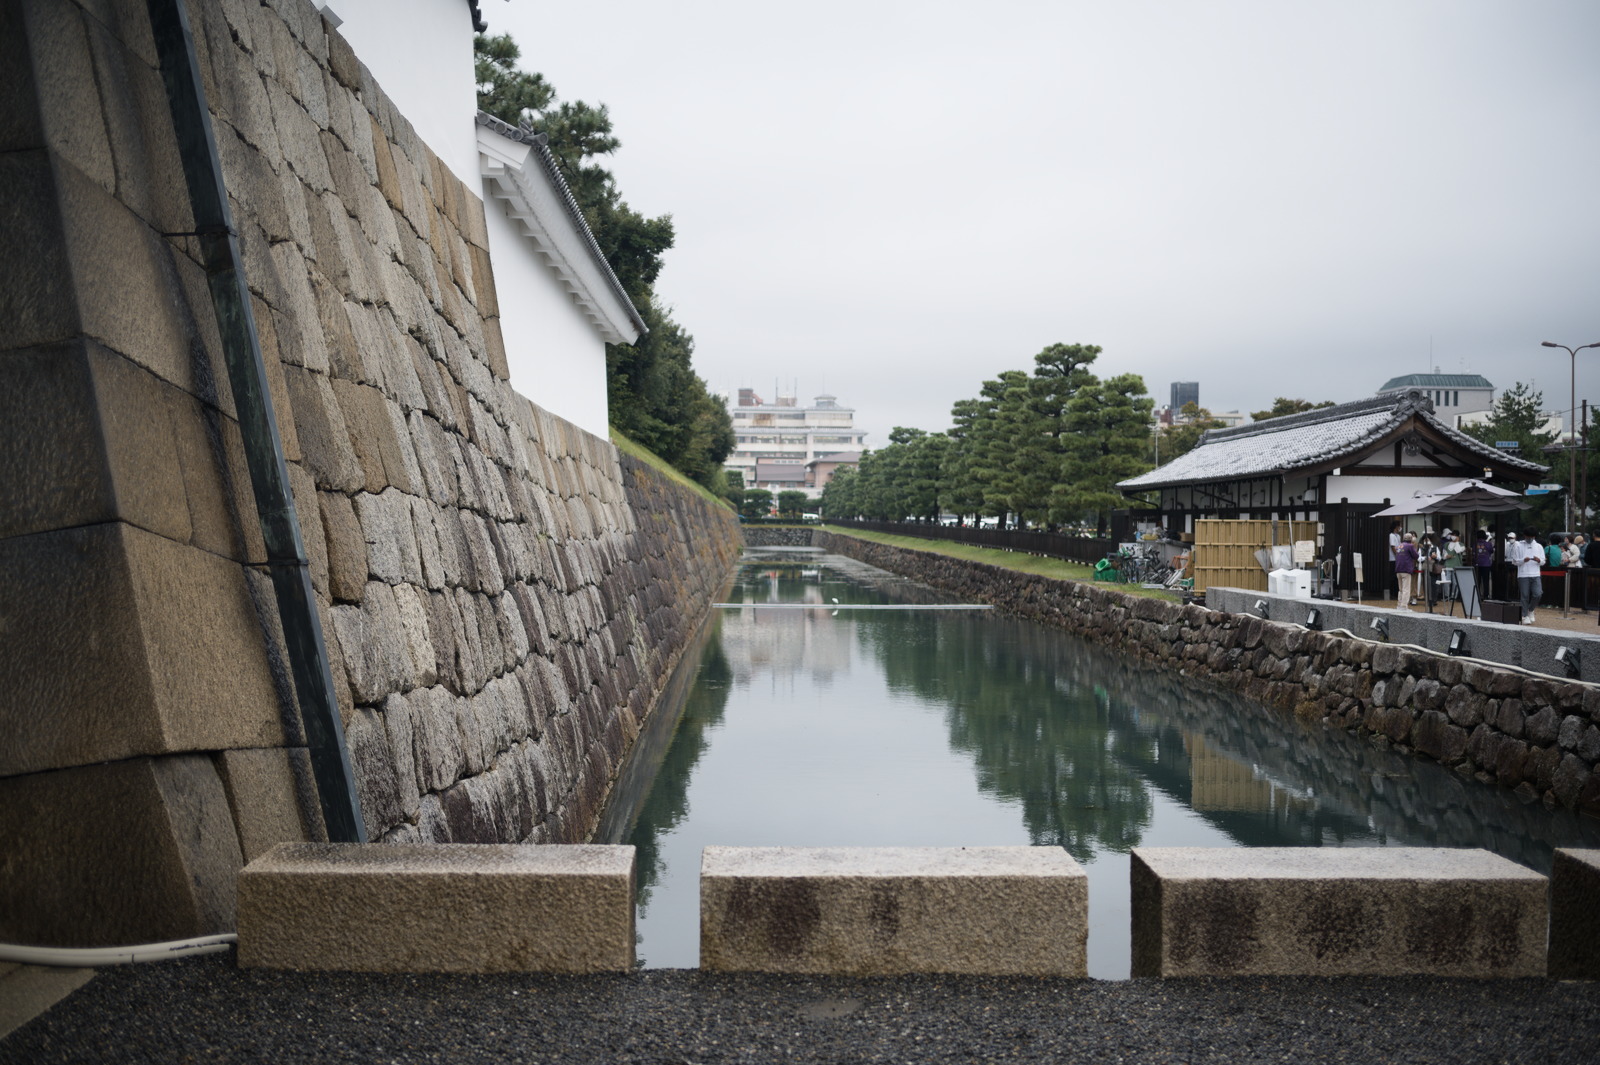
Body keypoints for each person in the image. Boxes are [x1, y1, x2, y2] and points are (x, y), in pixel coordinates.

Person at [1509, 528, 1545, 625]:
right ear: (1524, 536)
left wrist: (1538, 560)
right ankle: (1524, 615)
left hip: (1535, 573)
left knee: (1538, 593)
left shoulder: (1539, 546)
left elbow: (1543, 561)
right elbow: (1514, 561)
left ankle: (1530, 609)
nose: (1530, 539)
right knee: (1524, 595)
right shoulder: (1518, 546)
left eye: (1532, 537)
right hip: (1523, 574)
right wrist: (1523, 560)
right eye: (1528, 537)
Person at [1394, 532, 1419, 612]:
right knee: (1406, 589)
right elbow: (1416, 556)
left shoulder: (1399, 545)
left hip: (1398, 569)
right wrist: (1414, 545)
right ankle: (1404, 606)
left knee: (1400, 589)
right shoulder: (1410, 546)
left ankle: (1399, 604)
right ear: (1411, 539)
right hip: (1406, 569)